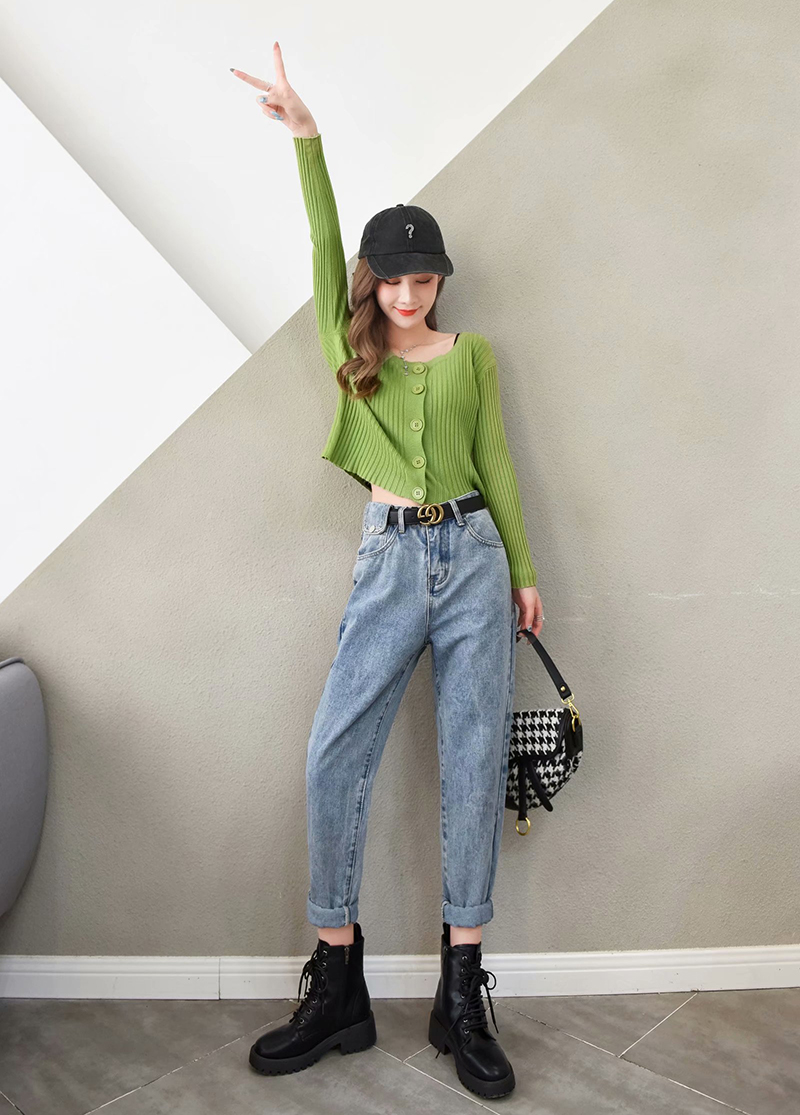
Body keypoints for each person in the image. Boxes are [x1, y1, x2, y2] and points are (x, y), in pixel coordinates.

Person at [233, 43, 543, 1101]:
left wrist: (525, 568)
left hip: (476, 562)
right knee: (333, 754)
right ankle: (339, 983)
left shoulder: (473, 355)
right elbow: (324, 244)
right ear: (375, 281)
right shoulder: (348, 341)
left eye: (423, 277)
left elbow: (497, 460)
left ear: (439, 280)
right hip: (388, 557)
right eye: (394, 278)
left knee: (470, 763)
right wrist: (307, 139)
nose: (407, 294)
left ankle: (462, 994)